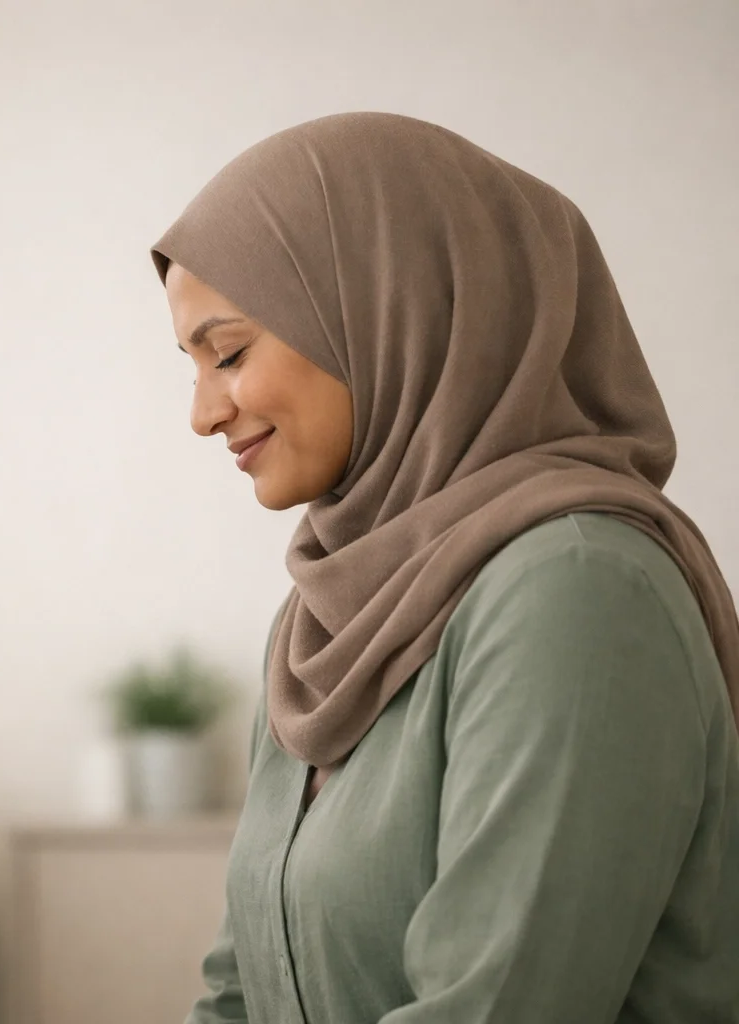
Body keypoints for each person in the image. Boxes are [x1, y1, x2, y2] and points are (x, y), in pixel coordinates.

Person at [155, 112, 739, 1022]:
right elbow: (241, 988)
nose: (202, 413)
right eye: (191, 366)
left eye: (228, 353)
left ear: (389, 308)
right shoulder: (321, 617)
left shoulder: (574, 590)